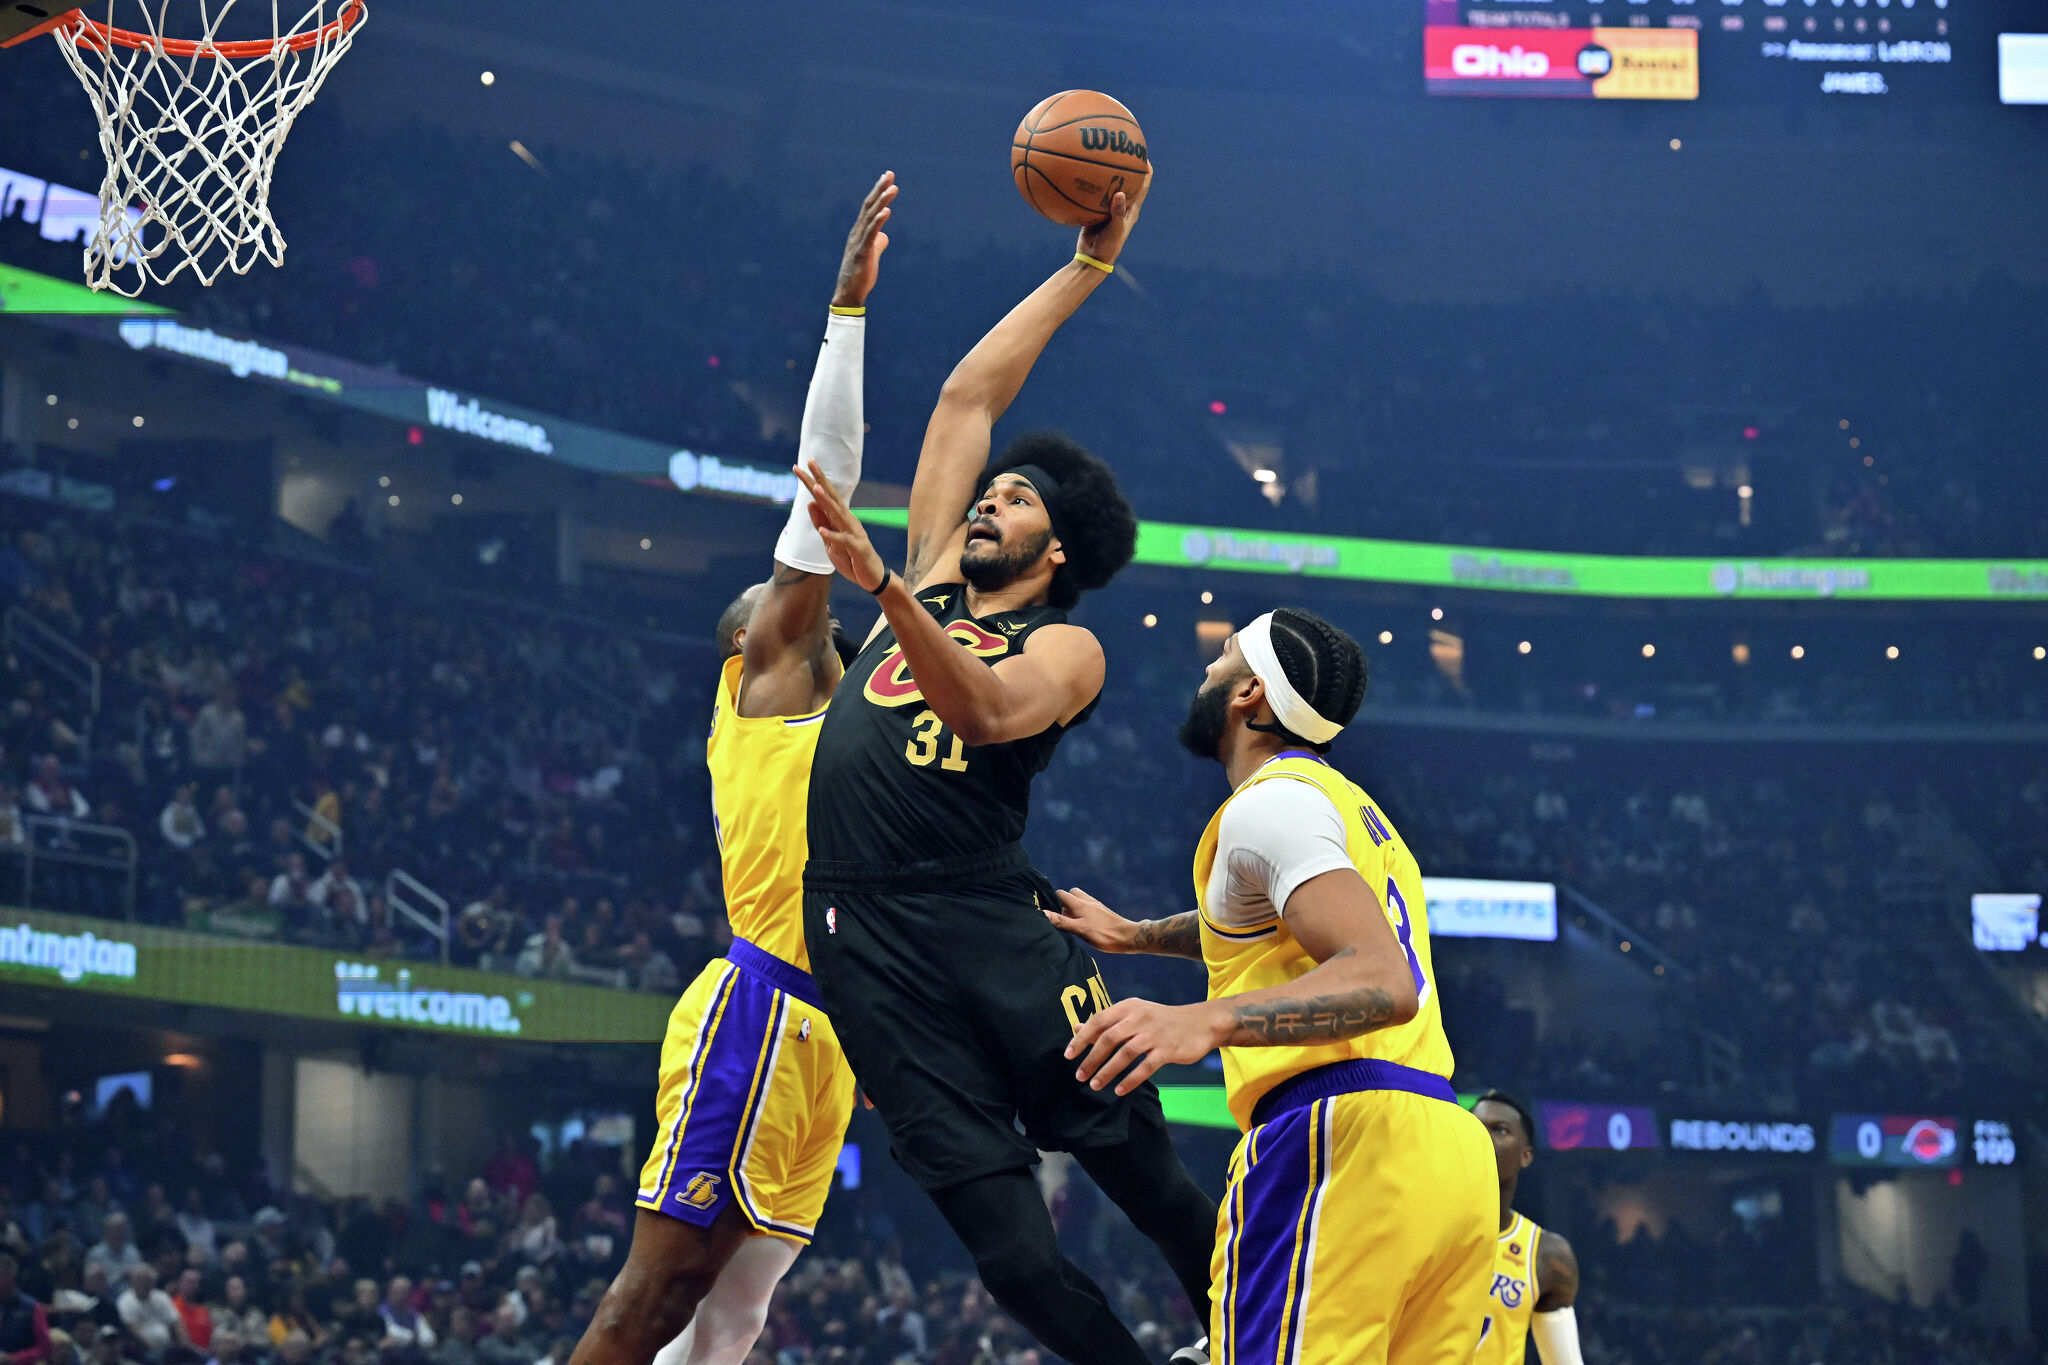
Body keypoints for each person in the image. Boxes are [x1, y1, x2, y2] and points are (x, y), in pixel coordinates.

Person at [792, 185, 1217, 1365]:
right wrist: (1084, 268)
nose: (989, 498)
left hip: (984, 910)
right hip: (860, 936)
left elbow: (978, 711)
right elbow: (970, 396)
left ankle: (1261, 1336)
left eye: (1016, 498)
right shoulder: (927, 573)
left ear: (1058, 546)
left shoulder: (1063, 647)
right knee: (1013, 1263)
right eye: (989, 491)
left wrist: (880, 589)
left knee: (1147, 1177)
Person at [569, 173, 890, 1365]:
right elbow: (825, 483)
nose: (765, 603)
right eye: (762, 610)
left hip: (837, 1035)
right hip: (759, 1006)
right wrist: (843, 316)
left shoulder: (867, 730)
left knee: (740, 1313)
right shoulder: (768, 689)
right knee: (655, 1294)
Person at [1048, 609, 1497, 1365]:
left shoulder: (1268, 805)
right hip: (1444, 1150)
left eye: (1220, 657)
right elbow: (1254, 918)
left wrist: (1209, 1019)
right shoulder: (1349, 809)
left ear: (1249, 692)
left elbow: (1384, 980)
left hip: (1340, 1136)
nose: (1205, 670)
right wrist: (1137, 935)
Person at [1470, 1092, 1582, 1365]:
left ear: (1526, 1155)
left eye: (1500, 1130)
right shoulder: (1421, 1227)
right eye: (1473, 1128)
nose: (1482, 1137)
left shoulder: (1547, 1255)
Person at [0, 1254, 52, 1365]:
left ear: (12, 1277)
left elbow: (45, 1348)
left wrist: (15, 1359)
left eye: (4, 1276)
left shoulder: (32, 1308)